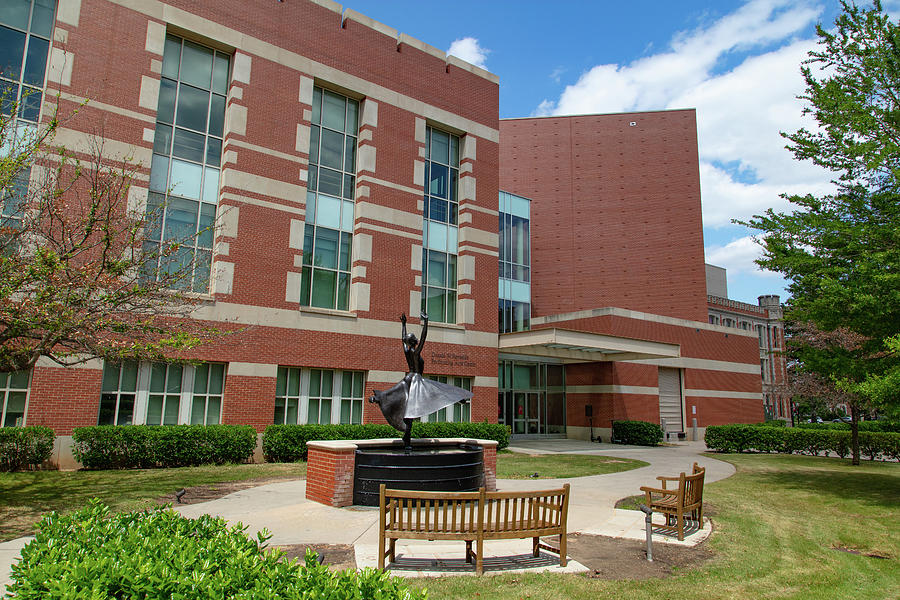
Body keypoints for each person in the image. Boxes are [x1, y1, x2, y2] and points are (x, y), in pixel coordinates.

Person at [369, 312, 473, 449]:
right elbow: (423, 338)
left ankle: (381, 401)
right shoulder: (415, 352)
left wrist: (404, 324)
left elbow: (402, 339)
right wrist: (426, 323)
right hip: (416, 381)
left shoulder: (407, 351)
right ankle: (458, 398)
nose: (416, 339)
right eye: (414, 338)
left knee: (404, 403)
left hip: (408, 379)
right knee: (436, 391)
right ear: (414, 342)